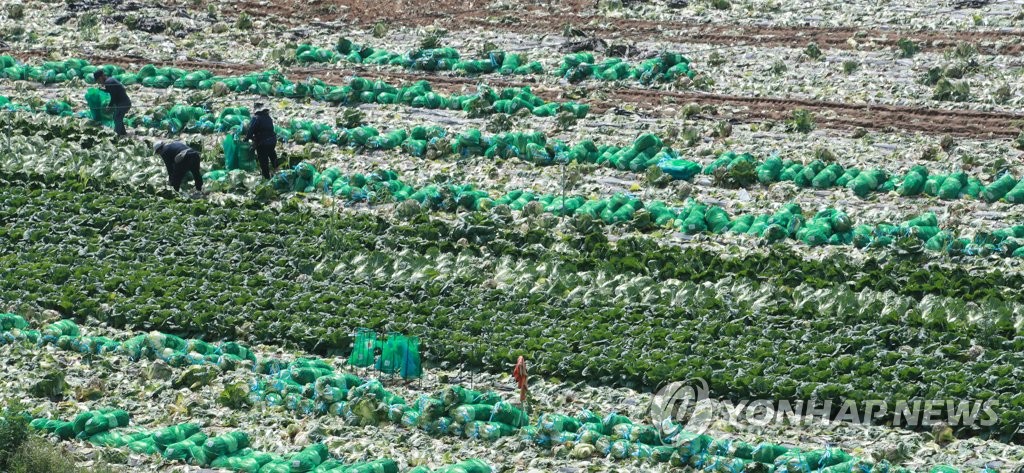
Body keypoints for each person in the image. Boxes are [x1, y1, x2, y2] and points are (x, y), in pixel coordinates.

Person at [93, 70, 132, 136]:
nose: (99, 83)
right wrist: (103, 90)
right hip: (123, 102)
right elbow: (112, 90)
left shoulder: (108, 82)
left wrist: (109, 105)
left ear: (100, 78)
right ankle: (123, 133)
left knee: (117, 117)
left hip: (123, 103)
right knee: (117, 117)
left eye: (98, 81)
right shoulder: (110, 80)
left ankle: (117, 135)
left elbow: (114, 95)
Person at [245, 103, 278, 179]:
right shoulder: (268, 117)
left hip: (263, 143)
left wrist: (246, 139)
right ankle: (277, 170)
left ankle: (267, 178)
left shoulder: (256, 118)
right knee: (272, 154)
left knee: (263, 161)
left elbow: (250, 131)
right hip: (273, 141)